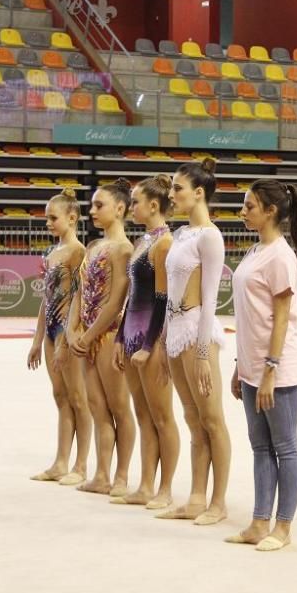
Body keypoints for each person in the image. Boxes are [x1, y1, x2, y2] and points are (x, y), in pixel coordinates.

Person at [226, 180, 297, 552]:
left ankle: (283, 526)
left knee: (285, 446)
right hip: (252, 364)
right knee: (259, 446)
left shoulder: (280, 256)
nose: (243, 212)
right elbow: (249, 315)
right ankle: (260, 521)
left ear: (270, 211)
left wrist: (270, 370)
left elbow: (280, 318)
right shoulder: (257, 249)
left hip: (278, 367)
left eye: (249, 206)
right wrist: (242, 365)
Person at [160, 160, 232, 523]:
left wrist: (203, 353)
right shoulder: (181, 233)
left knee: (212, 419)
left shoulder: (209, 236)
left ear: (199, 192)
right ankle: (196, 497)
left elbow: (210, 299)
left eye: (178, 189)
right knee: (192, 418)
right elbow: (169, 290)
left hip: (196, 331)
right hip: (174, 332)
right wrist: (162, 340)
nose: (172, 195)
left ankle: (218, 502)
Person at [110, 175, 179, 509]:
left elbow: (163, 300)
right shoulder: (142, 241)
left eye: (136, 201)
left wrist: (150, 346)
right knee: (144, 416)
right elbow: (132, 295)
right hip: (132, 333)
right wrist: (121, 337)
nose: (131, 206)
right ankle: (146, 484)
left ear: (154, 205)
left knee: (163, 416)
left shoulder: (164, 243)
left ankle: (165, 487)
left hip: (151, 337)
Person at [68, 179, 136, 496]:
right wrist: (73, 328)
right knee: (97, 406)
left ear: (120, 209)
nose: (92, 210)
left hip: (109, 335)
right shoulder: (94, 247)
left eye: (100, 205)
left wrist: (91, 332)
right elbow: (80, 292)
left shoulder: (124, 250)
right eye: (92, 205)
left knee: (119, 407)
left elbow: (116, 300)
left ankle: (122, 476)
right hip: (87, 337)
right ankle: (101, 473)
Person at [27, 189, 93, 486]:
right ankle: (60, 461)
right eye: (46, 219)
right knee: (61, 397)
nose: (48, 223)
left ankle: (80, 465)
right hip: (53, 329)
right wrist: (37, 340)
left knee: (79, 398)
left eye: (53, 218)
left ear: (71, 218)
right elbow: (46, 299)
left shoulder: (78, 252)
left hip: (69, 330)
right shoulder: (51, 253)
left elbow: (79, 298)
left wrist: (67, 339)